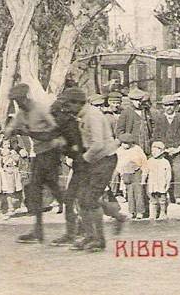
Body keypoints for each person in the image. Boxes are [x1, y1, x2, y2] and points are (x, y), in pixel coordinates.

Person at [5, 83, 63, 244]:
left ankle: (78, 219)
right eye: (15, 101)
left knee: (54, 188)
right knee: (36, 189)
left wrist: (29, 132)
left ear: (26, 97)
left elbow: (55, 130)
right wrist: (12, 131)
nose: (18, 104)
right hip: (38, 154)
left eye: (19, 100)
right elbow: (9, 130)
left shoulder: (40, 108)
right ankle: (38, 230)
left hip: (51, 152)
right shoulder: (21, 114)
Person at [63, 86, 119, 252]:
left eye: (68, 104)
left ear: (77, 103)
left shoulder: (93, 115)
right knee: (82, 199)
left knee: (89, 200)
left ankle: (98, 239)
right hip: (94, 160)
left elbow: (98, 144)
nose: (66, 108)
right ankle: (90, 236)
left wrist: (82, 160)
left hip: (104, 160)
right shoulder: (81, 115)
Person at [152, 94, 180, 204]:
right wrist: (163, 148)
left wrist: (178, 148)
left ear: (175, 106)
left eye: (171, 105)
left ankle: (179, 196)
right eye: (166, 105)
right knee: (162, 169)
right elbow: (156, 136)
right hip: (164, 151)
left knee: (177, 170)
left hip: (179, 150)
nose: (169, 108)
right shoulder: (159, 119)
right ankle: (164, 194)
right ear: (163, 106)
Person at [115, 132, 147, 220]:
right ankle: (132, 211)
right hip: (126, 173)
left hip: (136, 172)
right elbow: (118, 163)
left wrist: (144, 173)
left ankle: (140, 211)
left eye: (127, 143)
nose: (125, 145)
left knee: (138, 192)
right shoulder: (119, 151)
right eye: (123, 143)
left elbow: (144, 161)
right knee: (129, 192)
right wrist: (121, 174)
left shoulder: (137, 149)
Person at [116, 87, 154, 156]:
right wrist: (125, 142)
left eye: (140, 100)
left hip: (146, 146)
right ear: (131, 100)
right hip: (132, 147)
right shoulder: (126, 112)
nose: (138, 103)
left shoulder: (146, 111)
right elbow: (119, 130)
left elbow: (152, 127)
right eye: (136, 101)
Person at [143, 141, 171, 220]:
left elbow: (168, 174)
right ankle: (153, 214)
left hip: (162, 183)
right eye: (152, 151)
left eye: (156, 150)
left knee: (162, 199)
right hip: (152, 183)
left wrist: (168, 183)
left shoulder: (165, 162)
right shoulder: (149, 161)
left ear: (162, 151)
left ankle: (163, 213)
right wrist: (143, 180)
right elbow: (145, 171)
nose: (153, 152)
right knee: (152, 199)